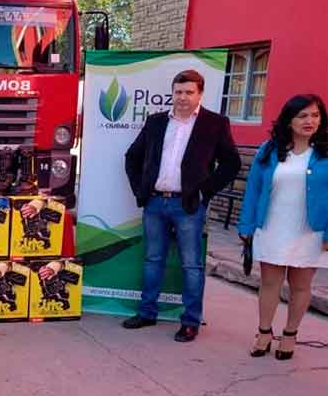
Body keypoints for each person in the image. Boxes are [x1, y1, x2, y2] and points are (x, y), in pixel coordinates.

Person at [123, 69, 241, 342]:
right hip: (154, 203)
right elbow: (133, 156)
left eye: (189, 92)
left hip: (188, 205)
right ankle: (147, 313)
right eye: (178, 92)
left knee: (191, 264)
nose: (183, 97)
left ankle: (190, 321)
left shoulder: (214, 123)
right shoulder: (155, 122)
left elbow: (231, 163)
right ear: (172, 93)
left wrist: (205, 192)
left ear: (200, 94)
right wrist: (141, 190)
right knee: (153, 260)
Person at [237, 94, 328, 360]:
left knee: (300, 285)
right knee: (269, 283)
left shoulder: (325, 152)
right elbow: (252, 189)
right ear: (289, 121)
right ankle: (264, 332)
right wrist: (246, 225)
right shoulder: (269, 150)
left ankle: (290, 335)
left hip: (310, 230)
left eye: (315, 115)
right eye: (302, 116)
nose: (309, 121)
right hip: (272, 226)